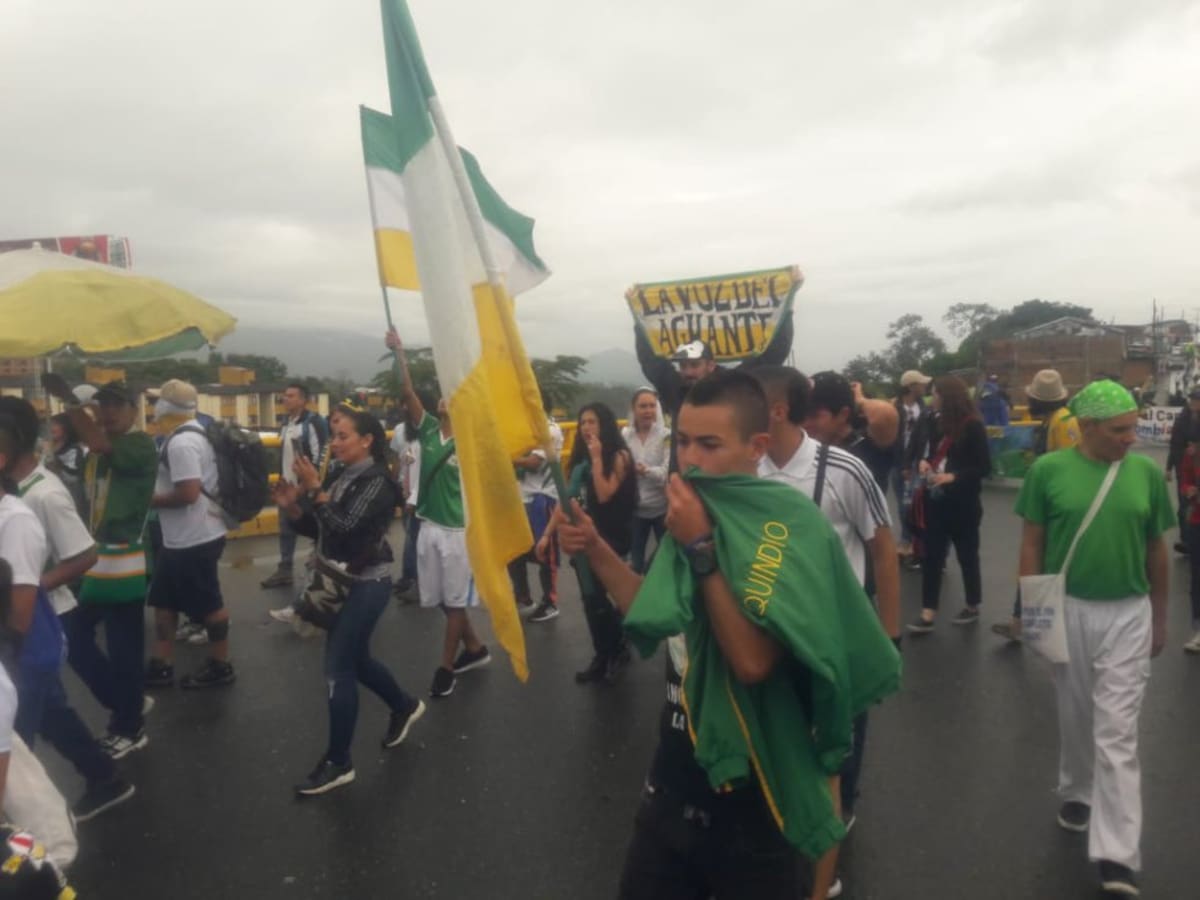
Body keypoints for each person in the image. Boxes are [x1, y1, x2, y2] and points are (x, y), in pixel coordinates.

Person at [556, 369, 900, 900]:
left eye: (710, 444)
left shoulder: (788, 525)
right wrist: (596, 548)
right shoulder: (693, 511)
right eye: (685, 441)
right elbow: (653, 607)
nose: (690, 458)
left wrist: (701, 549)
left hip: (755, 805)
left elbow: (752, 662)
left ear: (755, 447)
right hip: (670, 789)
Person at [1015, 380, 1171, 898]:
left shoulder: (1146, 474)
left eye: (1135, 427)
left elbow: (1157, 550)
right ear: (1086, 428)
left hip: (1128, 613)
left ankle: (1117, 855)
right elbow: (1032, 545)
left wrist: (1160, 615)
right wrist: (1034, 619)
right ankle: (1078, 790)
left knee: (1118, 733)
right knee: (1076, 711)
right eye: (1120, 430)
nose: (1133, 438)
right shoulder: (1048, 472)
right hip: (1071, 609)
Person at [754, 366, 901, 897]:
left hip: (839, 631)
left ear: (774, 410)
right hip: (773, 634)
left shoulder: (843, 469)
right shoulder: (747, 467)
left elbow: (881, 546)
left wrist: (887, 634)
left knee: (837, 745)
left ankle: (833, 830)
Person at [273, 410, 425, 796]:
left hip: (365, 585)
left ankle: (339, 761)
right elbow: (322, 529)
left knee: (338, 665)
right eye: (335, 437)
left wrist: (315, 490)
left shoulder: (379, 483)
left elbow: (345, 529)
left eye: (342, 437)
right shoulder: (342, 475)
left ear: (367, 441)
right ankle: (403, 704)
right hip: (340, 580)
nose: (335, 443)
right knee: (356, 661)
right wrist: (294, 507)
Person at [0, 412, 135, 823]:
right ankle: (105, 776)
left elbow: (84, 555)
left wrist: (36, 583)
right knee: (55, 714)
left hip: (24, 645)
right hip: (27, 642)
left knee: (13, 750)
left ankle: (29, 846)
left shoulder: (34, 503)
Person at [45, 382, 158, 758]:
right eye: (103, 405)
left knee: (124, 646)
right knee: (75, 636)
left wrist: (76, 406)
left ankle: (128, 726)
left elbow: (99, 443)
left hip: (126, 557)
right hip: (99, 556)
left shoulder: (139, 444)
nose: (108, 412)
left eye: (116, 406)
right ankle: (125, 701)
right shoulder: (99, 446)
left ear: (135, 411)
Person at [386, 328, 490, 699]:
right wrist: (400, 352)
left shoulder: (472, 441)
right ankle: (475, 648)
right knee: (444, 599)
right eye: (444, 395)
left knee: (456, 599)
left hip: (459, 532)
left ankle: (445, 667)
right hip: (428, 525)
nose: (446, 399)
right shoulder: (429, 430)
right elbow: (408, 393)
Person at [144, 379, 235, 689]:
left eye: (156, 401)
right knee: (164, 603)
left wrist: (146, 499)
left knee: (210, 604)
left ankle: (221, 664)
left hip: (194, 537)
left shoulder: (182, 442)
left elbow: (188, 494)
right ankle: (162, 663)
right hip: (184, 536)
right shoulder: (195, 433)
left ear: (169, 406)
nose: (152, 407)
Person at [537, 402, 637, 684]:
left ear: (604, 425)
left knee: (604, 599)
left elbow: (604, 494)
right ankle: (602, 654)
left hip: (611, 538)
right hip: (584, 540)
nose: (586, 428)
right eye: (582, 423)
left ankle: (616, 649)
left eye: (592, 422)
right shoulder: (580, 463)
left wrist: (596, 458)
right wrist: (546, 535)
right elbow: (567, 502)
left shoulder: (619, 456)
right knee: (590, 600)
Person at [634, 315, 794, 471]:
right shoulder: (677, 390)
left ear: (711, 365)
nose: (688, 372)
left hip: (725, 482)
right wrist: (638, 318)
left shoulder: (732, 386)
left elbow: (771, 355)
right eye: (683, 366)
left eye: (694, 365)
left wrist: (786, 311)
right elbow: (651, 362)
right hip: (685, 483)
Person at [992, 369, 1080, 642]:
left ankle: (1028, 623)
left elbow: (1068, 468)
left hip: (1056, 507)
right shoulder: (1053, 420)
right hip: (1047, 503)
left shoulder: (1064, 423)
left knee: (1040, 564)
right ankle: (1021, 621)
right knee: (1033, 564)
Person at [906, 376, 990, 633]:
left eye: (936, 393)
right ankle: (928, 612)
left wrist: (954, 476)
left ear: (947, 395)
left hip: (963, 504)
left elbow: (983, 467)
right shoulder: (935, 421)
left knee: (967, 556)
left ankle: (972, 604)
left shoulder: (973, 426)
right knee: (932, 556)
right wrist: (926, 462)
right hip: (936, 501)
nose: (932, 398)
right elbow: (933, 453)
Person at [262, 383, 328, 594]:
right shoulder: (287, 423)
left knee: (316, 529)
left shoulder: (314, 423)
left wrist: (305, 486)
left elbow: (320, 458)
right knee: (286, 529)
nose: (285, 399)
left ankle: (321, 568)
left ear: (303, 399)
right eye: (284, 395)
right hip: (288, 486)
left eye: (290, 396)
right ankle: (285, 569)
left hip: (306, 487)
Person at [509, 408, 564, 622]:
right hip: (522, 498)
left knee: (545, 552)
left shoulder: (550, 429)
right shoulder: (521, 431)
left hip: (544, 498)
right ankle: (523, 597)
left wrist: (506, 455)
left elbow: (534, 463)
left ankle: (550, 602)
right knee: (513, 552)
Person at [804, 372, 899, 492]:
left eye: (813, 415)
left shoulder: (869, 447)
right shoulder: (808, 448)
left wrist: (860, 400)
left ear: (843, 414)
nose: (804, 423)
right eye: (801, 414)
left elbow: (885, 414)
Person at [621, 387, 669, 574]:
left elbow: (665, 473)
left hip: (661, 508)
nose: (648, 411)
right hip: (635, 509)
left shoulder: (666, 435)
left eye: (651, 405)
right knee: (635, 563)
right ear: (634, 409)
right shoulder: (625, 435)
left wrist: (645, 471)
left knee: (665, 560)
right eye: (642, 406)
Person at [892, 370, 932, 564]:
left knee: (916, 502)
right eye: (921, 384)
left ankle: (911, 541)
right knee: (903, 503)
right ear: (910, 386)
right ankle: (907, 540)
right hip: (898, 459)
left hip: (918, 459)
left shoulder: (925, 408)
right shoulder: (894, 407)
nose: (925, 387)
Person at [389, 408, 422, 602]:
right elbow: (396, 460)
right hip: (404, 489)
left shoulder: (429, 431)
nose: (406, 408)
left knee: (413, 536)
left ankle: (410, 579)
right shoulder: (400, 430)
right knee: (412, 535)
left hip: (420, 493)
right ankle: (417, 579)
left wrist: (415, 496)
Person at [1165, 385, 1200, 554]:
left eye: (1197, 400)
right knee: (1185, 503)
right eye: (1193, 400)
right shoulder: (1182, 419)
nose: (1194, 403)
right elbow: (1175, 444)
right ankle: (1187, 539)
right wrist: (1168, 467)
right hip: (1184, 467)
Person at [1174, 426, 1200, 653]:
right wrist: (1189, 489)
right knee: (1198, 578)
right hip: (1197, 521)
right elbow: (1185, 480)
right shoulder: (1192, 454)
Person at [44, 412, 86, 516]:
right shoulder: (47, 448)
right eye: (50, 425)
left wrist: (58, 467)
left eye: (55, 425)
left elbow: (74, 478)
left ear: (66, 427)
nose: (51, 428)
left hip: (69, 498)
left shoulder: (74, 450)